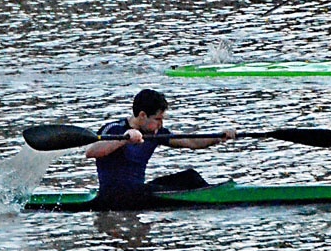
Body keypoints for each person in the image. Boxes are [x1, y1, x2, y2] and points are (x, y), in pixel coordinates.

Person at [84, 88, 236, 210]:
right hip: (113, 196)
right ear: (142, 115)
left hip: (138, 191)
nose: (161, 124)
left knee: (190, 177)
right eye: (158, 119)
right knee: (144, 190)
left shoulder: (155, 133)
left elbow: (191, 141)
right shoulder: (115, 129)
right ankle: (210, 203)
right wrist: (124, 139)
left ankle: (210, 197)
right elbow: (91, 152)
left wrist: (219, 137)